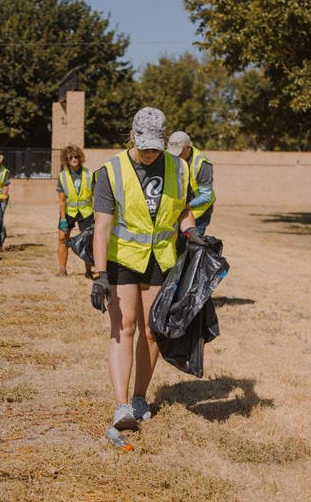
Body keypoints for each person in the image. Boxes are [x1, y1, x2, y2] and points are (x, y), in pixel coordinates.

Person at [90, 107, 215, 430]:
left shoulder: (178, 167)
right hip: (123, 260)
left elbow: (182, 210)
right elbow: (102, 227)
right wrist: (99, 274)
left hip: (160, 258)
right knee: (124, 326)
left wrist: (191, 232)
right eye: (143, 147)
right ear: (132, 136)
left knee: (152, 329)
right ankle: (121, 406)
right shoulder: (111, 171)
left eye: (154, 148)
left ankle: (139, 397)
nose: (148, 154)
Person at [56, 144, 93, 278]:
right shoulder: (62, 176)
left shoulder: (89, 174)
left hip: (86, 212)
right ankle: (62, 269)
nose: (74, 159)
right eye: (70, 157)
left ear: (80, 157)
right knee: (62, 238)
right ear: (66, 159)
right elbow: (61, 200)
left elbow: (95, 194)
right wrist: (63, 219)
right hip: (68, 212)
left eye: (76, 156)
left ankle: (88, 271)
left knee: (88, 240)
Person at [167, 131, 216, 234]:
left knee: (193, 246)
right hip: (178, 211)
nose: (176, 156)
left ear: (188, 148)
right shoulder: (171, 159)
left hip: (198, 214)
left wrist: (185, 206)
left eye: (179, 152)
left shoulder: (202, 164)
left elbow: (206, 196)